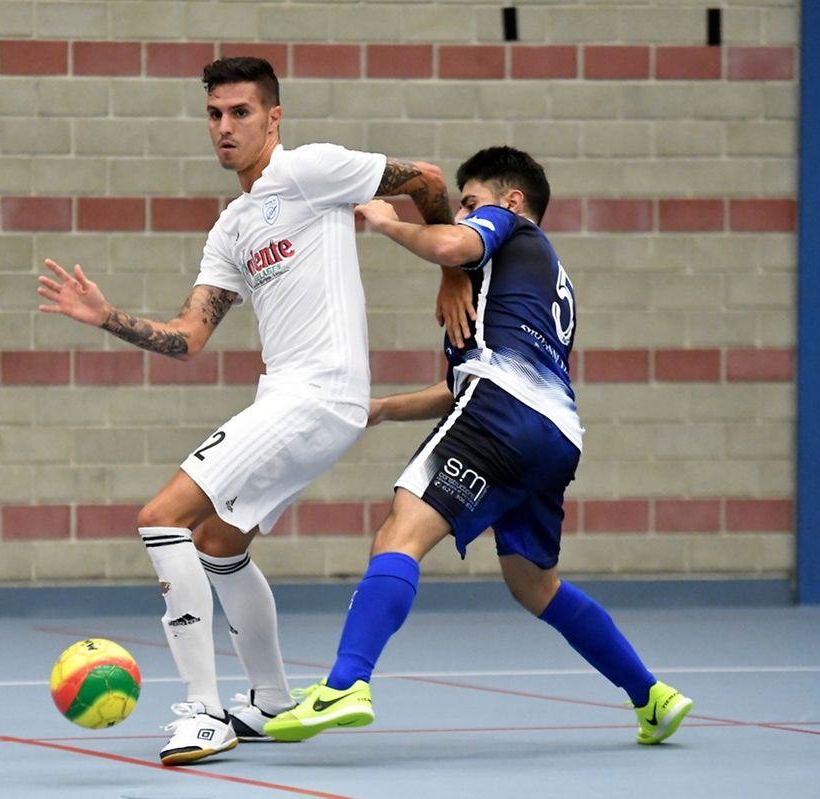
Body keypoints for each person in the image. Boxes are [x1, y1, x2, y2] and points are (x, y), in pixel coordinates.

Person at [35, 56, 455, 766]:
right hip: (291, 396)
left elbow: (429, 180)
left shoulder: (310, 170)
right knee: (218, 543)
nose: (225, 127)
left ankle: (202, 712)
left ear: (273, 117)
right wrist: (106, 316)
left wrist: (453, 267)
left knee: (161, 515)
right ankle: (267, 700)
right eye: (214, 114)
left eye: (240, 113)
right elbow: (188, 338)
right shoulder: (232, 228)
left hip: (320, 393)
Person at [264, 145, 694, 747]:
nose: (462, 214)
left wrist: (389, 222)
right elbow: (459, 385)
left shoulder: (507, 225)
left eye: (469, 203)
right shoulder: (537, 277)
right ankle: (652, 696)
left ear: (511, 200)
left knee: (399, 535)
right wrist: (385, 409)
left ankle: (345, 684)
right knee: (533, 585)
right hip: (554, 432)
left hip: (504, 412)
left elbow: (450, 246)